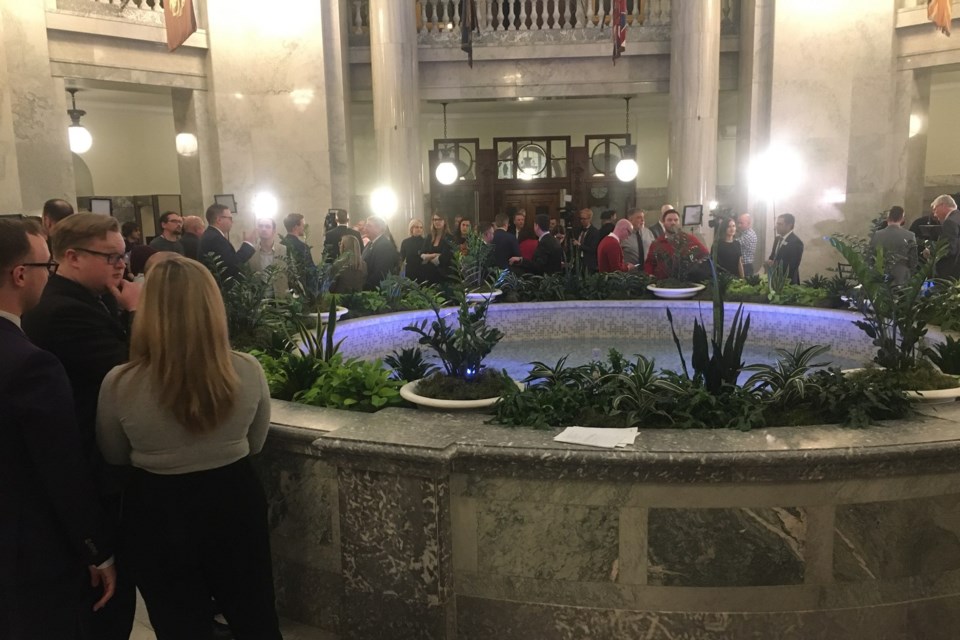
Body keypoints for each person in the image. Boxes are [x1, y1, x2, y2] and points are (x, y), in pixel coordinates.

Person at [95, 256, 282, 640]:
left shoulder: (119, 383)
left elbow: (113, 453)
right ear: (212, 306)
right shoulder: (246, 370)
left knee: (178, 624)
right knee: (255, 616)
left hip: (156, 509)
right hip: (234, 500)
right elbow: (256, 442)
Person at [22, 212, 141, 639]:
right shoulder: (63, 310)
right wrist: (136, 313)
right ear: (71, 256)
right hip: (88, 465)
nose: (120, 265)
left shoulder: (90, 297)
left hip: (96, 460)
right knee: (104, 605)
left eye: (122, 255)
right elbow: (128, 372)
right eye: (110, 256)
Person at [0, 218, 116, 639]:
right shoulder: (30, 364)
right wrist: (96, 550)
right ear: (19, 274)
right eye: (44, 267)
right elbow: (60, 467)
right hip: (28, 555)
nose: (48, 276)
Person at [644, 209, 709, 280]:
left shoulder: (690, 239)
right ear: (663, 222)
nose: (673, 223)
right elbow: (650, 262)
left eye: (676, 220)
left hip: (686, 282)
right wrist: (649, 274)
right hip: (662, 283)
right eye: (669, 220)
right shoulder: (657, 243)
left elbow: (705, 255)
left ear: (679, 222)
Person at [199, 203, 256, 283]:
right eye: (230, 218)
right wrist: (248, 244)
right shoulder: (216, 238)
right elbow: (232, 265)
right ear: (219, 220)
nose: (232, 222)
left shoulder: (210, 235)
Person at [870, 206, 917, 286]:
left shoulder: (877, 235)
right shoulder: (910, 236)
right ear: (902, 218)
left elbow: (872, 257)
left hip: (881, 275)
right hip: (902, 276)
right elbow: (913, 260)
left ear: (888, 218)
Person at [248, 218, 289, 298]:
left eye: (267, 226)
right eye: (261, 226)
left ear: (273, 231)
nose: (263, 229)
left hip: (281, 299)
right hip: (258, 299)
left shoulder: (284, 250)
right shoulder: (251, 251)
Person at [280, 213, 318, 294]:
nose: (304, 228)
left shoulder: (279, 246)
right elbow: (310, 272)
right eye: (302, 225)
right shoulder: (302, 247)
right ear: (295, 227)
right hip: (300, 289)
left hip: (283, 288)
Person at [362, 216, 400, 290]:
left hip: (376, 291)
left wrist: (365, 286)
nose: (365, 228)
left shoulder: (384, 246)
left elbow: (381, 273)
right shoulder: (369, 244)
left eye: (368, 226)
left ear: (378, 229)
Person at [765, 213, 804, 284]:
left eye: (780, 224)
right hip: (774, 280)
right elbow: (773, 256)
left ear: (789, 225)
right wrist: (770, 261)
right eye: (777, 224)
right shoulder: (777, 239)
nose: (776, 226)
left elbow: (793, 265)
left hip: (788, 281)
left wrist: (775, 264)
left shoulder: (796, 242)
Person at [421, 213, 455, 286]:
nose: (437, 222)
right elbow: (422, 254)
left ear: (444, 221)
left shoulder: (449, 238)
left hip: (444, 276)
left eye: (440, 219)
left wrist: (428, 257)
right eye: (435, 219)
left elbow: (445, 258)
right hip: (429, 275)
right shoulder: (429, 237)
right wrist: (435, 255)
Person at [932, 194, 960, 279]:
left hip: (950, 273)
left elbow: (949, 250)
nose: (935, 214)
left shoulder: (949, 222)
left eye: (935, 209)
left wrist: (933, 253)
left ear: (943, 205)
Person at [400, 218, 428, 282]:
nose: (419, 229)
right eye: (417, 227)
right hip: (410, 273)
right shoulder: (405, 242)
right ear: (411, 228)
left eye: (421, 227)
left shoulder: (426, 242)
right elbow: (401, 259)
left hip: (423, 272)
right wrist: (401, 275)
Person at [573, 208, 601, 273]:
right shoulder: (578, 230)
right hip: (578, 262)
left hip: (589, 263)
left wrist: (579, 245)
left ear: (590, 219)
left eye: (584, 219)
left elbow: (593, 249)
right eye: (581, 218)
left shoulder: (595, 232)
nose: (582, 221)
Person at [736, 213, 758, 277]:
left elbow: (734, 244)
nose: (739, 225)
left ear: (748, 223)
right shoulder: (744, 233)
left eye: (741, 223)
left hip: (745, 267)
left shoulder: (748, 235)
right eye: (738, 223)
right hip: (744, 266)